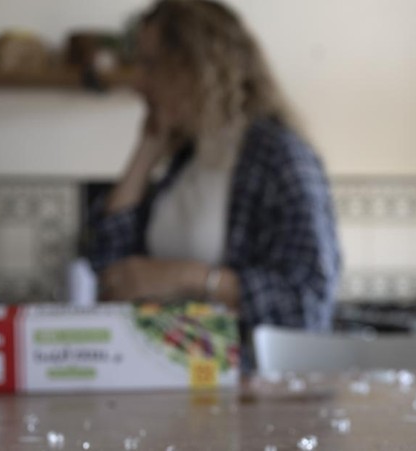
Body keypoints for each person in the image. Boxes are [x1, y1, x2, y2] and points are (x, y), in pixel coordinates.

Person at [88, 0, 341, 367]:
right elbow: (109, 269)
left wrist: (186, 277)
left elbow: (308, 304)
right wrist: (145, 152)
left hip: (249, 396)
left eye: (150, 64)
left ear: (197, 67)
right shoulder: (187, 158)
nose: (137, 82)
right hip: (173, 377)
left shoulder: (279, 157)